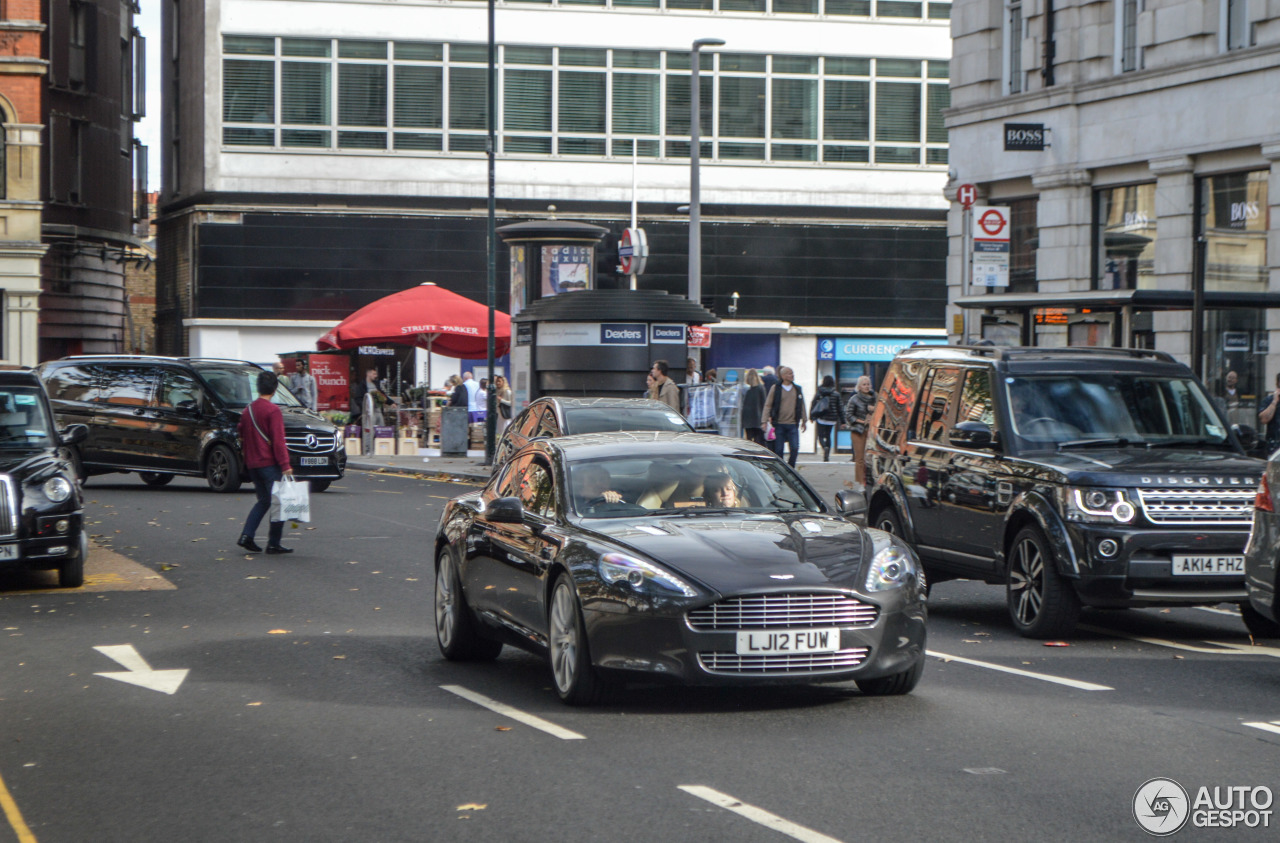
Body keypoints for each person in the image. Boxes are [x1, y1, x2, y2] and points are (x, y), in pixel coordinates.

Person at [237, 370, 295, 555]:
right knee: (279, 503)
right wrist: (285, 465)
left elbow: (241, 432)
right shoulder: (273, 410)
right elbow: (278, 440)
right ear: (275, 388)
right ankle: (273, 543)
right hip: (269, 464)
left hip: (253, 464)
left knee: (263, 501)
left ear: (258, 387)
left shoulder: (248, 410)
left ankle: (247, 535)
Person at [762, 366, 807, 467]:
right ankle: (780, 471)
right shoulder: (776, 388)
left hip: (793, 424)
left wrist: (804, 420)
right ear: (783, 376)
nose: (792, 375)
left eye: (792, 373)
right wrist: (764, 421)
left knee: (795, 448)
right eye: (789, 373)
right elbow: (768, 404)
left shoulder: (797, 389)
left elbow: (802, 404)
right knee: (778, 450)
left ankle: (790, 468)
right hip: (779, 424)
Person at [845, 375, 875, 483]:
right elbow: (848, 415)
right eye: (864, 384)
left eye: (868, 384)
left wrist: (873, 411)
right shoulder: (855, 399)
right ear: (859, 386)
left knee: (871, 458)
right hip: (858, 431)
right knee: (860, 458)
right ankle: (860, 482)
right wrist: (861, 421)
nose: (867, 386)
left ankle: (870, 481)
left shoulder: (875, 398)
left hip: (871, 431)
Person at [810, 375, 844, 462]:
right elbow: (840, 408)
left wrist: (811, 416)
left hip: (821, 417)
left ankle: (824, 447)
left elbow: (813, 403)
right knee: (828, 435)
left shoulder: (819, 392)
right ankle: (827, 456)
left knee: (820, 435)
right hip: (832, 419)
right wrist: (843, 421)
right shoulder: (836, 394)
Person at [741, 368, 767, 447]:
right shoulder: (761, 388)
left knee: (748, 438)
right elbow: (764, 403)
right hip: (758, 416)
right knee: (758, 439)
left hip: (746, 416)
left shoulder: (744, 388)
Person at [1258, 373, 1280, 454]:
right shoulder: (1268, 401)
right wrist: (1274, 401)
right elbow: (1263, 419)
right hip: (1275, 449)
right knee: (1275, 467)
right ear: (1277, 384)